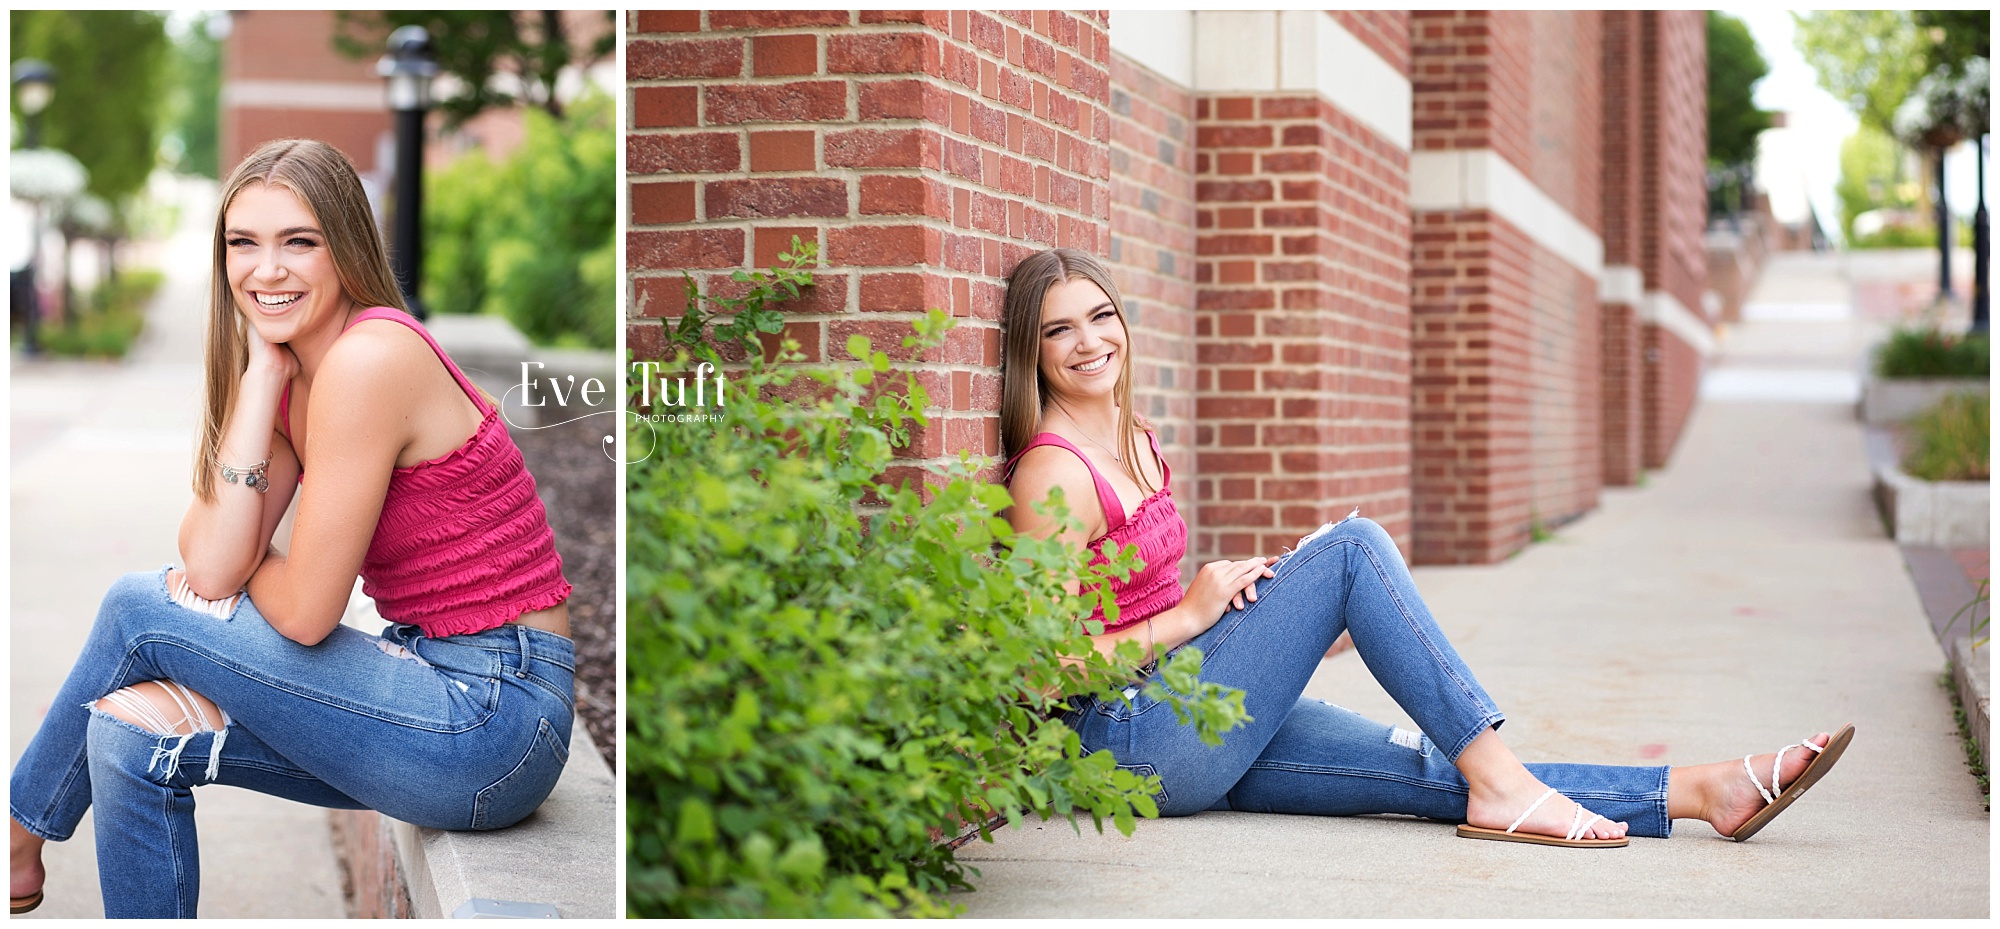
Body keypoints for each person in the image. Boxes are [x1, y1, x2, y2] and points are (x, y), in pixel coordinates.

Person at [1000, 247, 1851, 848]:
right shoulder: (1053, 473)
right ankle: (1509, 789)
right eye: (1059, 331)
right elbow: (1039, 672)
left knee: (1428, 765)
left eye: (1101, 315)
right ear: (1032, 355)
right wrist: (1195, 613)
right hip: (1125, 744)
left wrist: (1270, 631)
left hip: (1187, 708)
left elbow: (1138, 602)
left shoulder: (1137, 438)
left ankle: (1703, 791)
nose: (1089, 342)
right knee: (1354, 547)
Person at [8, 139, 578, 918]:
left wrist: (247, 560)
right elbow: (210, 567)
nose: (265, 270)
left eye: (297, 242)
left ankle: (15, 837)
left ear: (344, 247)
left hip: (492, 719)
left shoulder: (369, 359)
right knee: (125, 736)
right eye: (243, 243)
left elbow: (305, 612)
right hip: (432, 689)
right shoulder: (297, 372)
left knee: (137, 608)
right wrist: (257, 385)